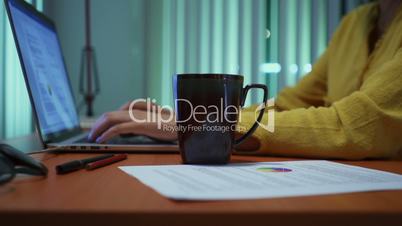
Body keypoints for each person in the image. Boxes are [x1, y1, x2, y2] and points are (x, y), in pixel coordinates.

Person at [88, 0, 402, 160]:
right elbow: (287, 105)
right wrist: (195, 121)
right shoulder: (355, 23)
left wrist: (201, 125)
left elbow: (356, 126)